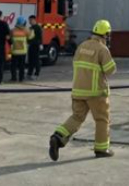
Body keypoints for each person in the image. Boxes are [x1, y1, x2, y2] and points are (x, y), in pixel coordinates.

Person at [49, 19, 117, 160]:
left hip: (78, 90)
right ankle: (101, 149)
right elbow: (110, 70)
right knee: (102, 119)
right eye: (108, 34)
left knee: (77, 117)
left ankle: (58, 137)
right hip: (96, 93)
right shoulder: (102, 49)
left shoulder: (82, 46)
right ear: (104, 34)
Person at [10, 16, 29, 82]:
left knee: (13, 66)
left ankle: (14, 78)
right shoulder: (26, 30)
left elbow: (9, 39)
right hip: (23, 51)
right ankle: (21, 78)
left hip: (15, 51)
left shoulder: (12, 30)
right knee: (22, 66)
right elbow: (31, 38)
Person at [27, 15, 43, 81]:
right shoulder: (30, 28)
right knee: (30, 60)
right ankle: (29, 73)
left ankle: (36, 74)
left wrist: (40, 44)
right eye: (29, 20)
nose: (29, 21)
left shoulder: (37, 27)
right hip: (31, 45)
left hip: (36, 45)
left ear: (33, 20)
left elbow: (40, 37)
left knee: (36, 60)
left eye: (30, 20)